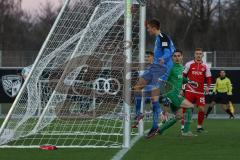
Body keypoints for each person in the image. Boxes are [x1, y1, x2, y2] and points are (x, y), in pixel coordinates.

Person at [132, 19, 175, 139]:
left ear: (153, 27)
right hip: (155, 68)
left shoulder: (163, 36)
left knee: (154, 97)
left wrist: (163, 58)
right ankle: (139, 114)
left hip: (162, 69)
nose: (148, 30)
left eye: (148, 28)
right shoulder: (158, 38)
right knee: (137, 87)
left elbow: (168, 51)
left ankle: (155, 125)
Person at [158, 49, 196, 136]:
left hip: (175, 95)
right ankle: (186, 132)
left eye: (179, 56)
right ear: (172, 58)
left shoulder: (181, 67)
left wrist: (189, 81)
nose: (177, 58)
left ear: (182, 57)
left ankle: (160, 130)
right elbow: (161, 81)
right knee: (190, 106)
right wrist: (165, 96)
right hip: (172, 94)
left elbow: (180, 79)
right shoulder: (170, 68)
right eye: (175, 56)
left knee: (179, 116)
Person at [182, 48, 212, 133]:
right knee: (186, 108)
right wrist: (183, 88)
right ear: (194, 55)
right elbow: (183, 76)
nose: (198, 55)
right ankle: (184, 126)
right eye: (197, 54)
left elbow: (209, 78)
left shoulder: (206, 66)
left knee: (202, 109)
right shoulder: (189, 64)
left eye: (200, 54)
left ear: (202, 55)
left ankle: (199, 127)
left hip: (200, 92)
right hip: (190, 90)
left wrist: (208, 86)